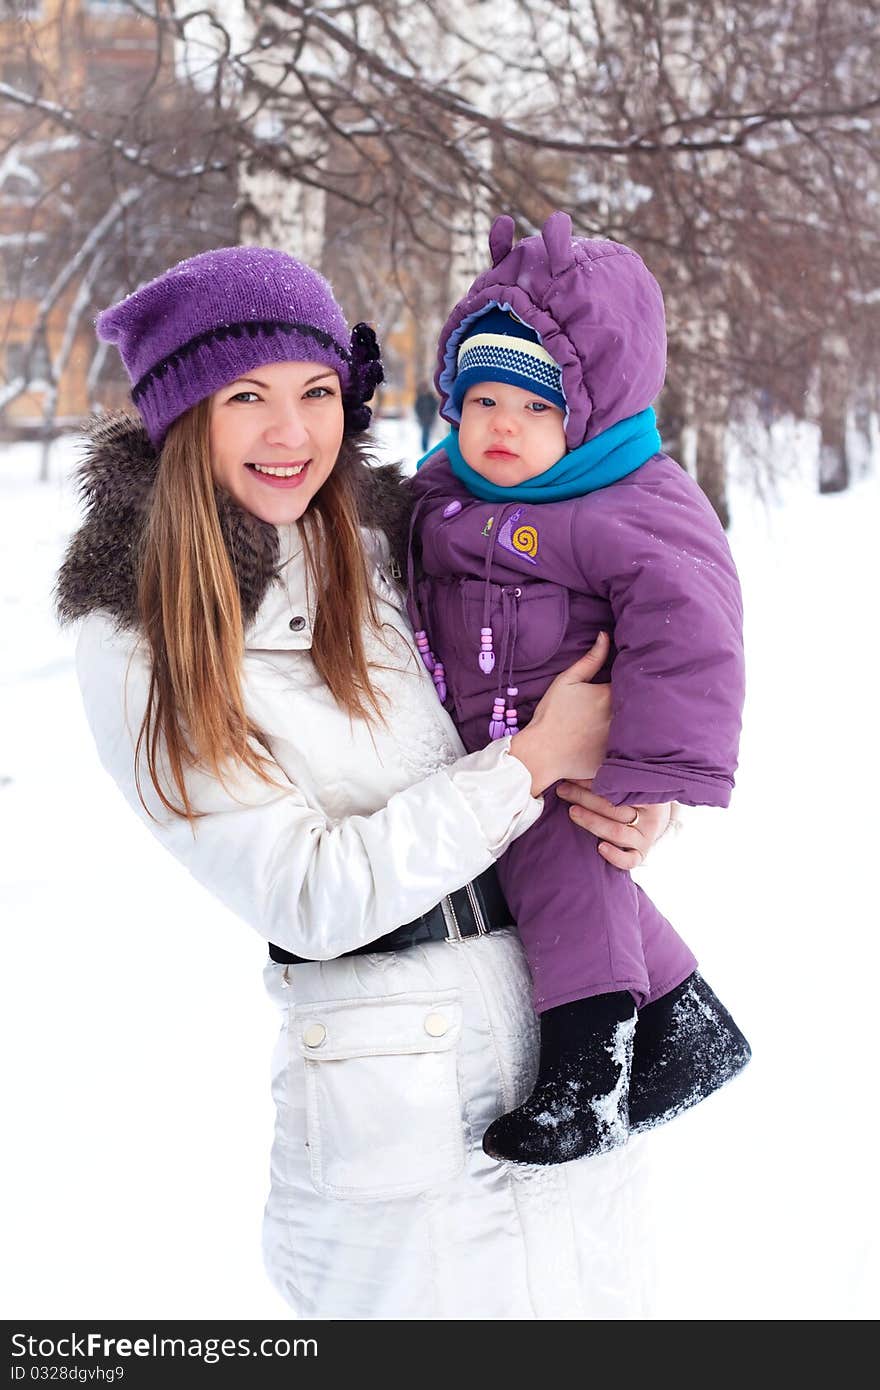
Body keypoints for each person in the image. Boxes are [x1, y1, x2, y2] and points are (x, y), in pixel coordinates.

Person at [55, 244, 676, 1320]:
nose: (290, 431)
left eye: (313, 392)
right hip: (393, 1103)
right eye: (245, 396)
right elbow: (309, 892)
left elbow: (559, 679)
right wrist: (531, 763)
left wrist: (624, 789)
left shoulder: (400, 541)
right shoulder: (141, 635)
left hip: (547, 1030)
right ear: (179, 414)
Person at [407, 211, 751, 1166]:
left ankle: (587, 1080)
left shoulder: (633, 503)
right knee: (558, 876)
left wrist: (652, 769)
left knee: (565, 875)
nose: (502, 427)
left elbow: (693, 631)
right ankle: (684, 1027)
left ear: (593, 413)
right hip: (501, 749)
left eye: (537, 407)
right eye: (481, 402)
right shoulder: (441, 495)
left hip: (573, 749)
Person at [414, 380, 438, 452]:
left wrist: (432, 415)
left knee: (427, 432)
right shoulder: (420, 397)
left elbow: (435, 405)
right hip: (423, 418)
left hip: (430, 418)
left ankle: (425, 447)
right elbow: (417, 407)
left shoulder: (430, 396)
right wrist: (420, 416)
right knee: (425, 433)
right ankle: (424, 447)